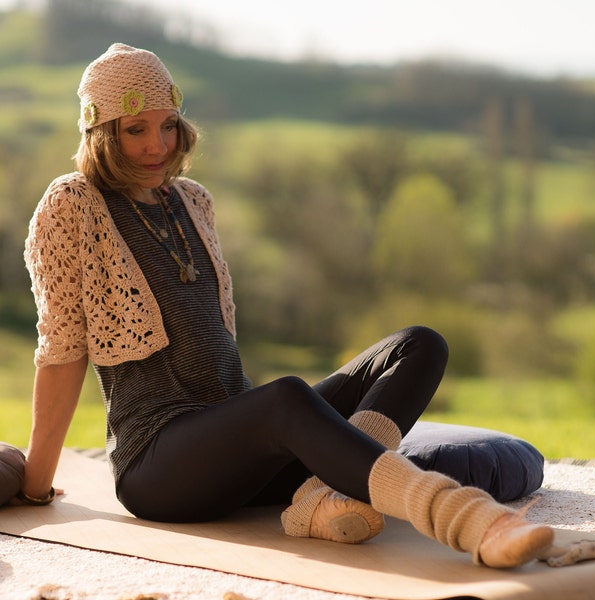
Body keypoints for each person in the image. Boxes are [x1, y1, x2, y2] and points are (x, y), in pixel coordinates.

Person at [18, 42, 555, 569]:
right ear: (101, 133)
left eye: (168, 124)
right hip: (160, 467)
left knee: (420, 344)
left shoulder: (191, 201)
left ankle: (329, 494)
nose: (158, 144)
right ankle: (468, 521)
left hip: (242, 454)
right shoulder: (72, 206)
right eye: (137, 130)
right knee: (285, 400)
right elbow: (62, 351)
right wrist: (36, 486)